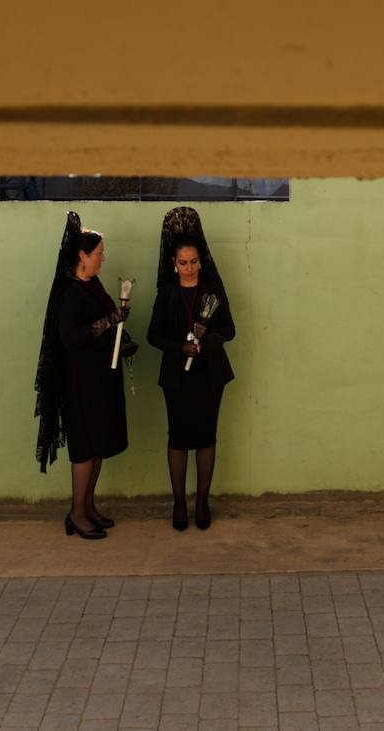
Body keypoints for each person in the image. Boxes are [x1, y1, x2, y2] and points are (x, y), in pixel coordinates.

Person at [34, 212, 134, 540]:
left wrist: (119, 332)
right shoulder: (70, 294)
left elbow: (103, 326)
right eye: (99, 253)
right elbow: (70, 339)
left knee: (97, 447)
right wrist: (108, 322)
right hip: (80, 384)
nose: (103, 258)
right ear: (82, 256)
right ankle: (77, 514)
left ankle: (88, 507)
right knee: (83, 449)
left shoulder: (93, 286)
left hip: (100, 381)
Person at [147, 207, 236, 531]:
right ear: (173, 264)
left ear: (201, 260)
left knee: (206, 437)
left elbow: (229, 329)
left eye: (194, 262)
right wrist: (179, 348)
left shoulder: (213, 290)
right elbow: (153, 335)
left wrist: (209, 339)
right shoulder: (167, 294)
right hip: (176, 377)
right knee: (178, 438)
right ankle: (179, 502)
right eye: (183, 263)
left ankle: (202, 500)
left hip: (209, 375)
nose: (189, 267)